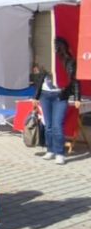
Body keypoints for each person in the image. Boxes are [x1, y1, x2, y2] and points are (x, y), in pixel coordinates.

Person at [32, 37, 81, 165]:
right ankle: (50, 150)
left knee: (57, 125)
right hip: (45, 95)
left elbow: (75, 80)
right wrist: (36, 97)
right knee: (48, 126)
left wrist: (77, 97)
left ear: (60, 48)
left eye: (55, 47)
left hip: (60, 95)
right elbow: (39, 80)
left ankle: (60, 153)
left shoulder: (69, 62)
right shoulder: (47, 60)